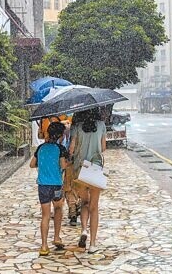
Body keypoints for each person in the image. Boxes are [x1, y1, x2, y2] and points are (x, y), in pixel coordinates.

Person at [68, 108, 107, 254]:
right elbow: (103, 148)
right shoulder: (101, 125)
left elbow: (71, 148)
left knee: (84, 202)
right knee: (94, 207)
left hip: (80, 170)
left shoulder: (77, 127)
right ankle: (92, 244)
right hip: (95, 169)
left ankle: (84, 230)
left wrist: (76, 152)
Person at [30, 122, 68, 256]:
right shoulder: (60, 149)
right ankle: (56, 237)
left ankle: (44, 245)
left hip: (43, 185)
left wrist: (44, 165)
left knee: (45, 215)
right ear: (60, 136)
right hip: (57, 184)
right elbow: (63, 166)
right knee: (58, 209)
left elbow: (32, 164)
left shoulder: (41, 148)